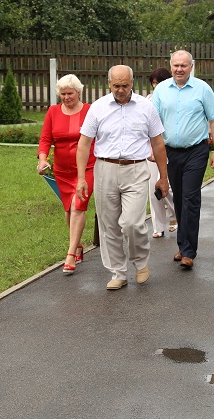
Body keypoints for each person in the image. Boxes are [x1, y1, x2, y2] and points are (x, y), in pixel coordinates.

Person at [75, 65, 169, 291]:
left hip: (136, 169)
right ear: (109, 84)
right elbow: (84, 144)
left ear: (132, 83)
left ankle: (141, 262)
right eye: (116, 85)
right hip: (105, 169)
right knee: (109, 224)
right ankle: (118, 272)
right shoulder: (98, 108)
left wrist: (163, 177)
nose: (120, 90)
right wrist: (81, 178)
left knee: (132, 223)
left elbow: (158, 143)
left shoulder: (146, 107)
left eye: (125, 85)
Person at [152, 50, 214, 270]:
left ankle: (189, 251)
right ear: (170, 66)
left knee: (191, 198)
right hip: (170, 152)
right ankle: (182, 245)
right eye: (176, 65)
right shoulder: (161, 90)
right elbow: (152, 122)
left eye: (184, 65)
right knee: (180, 198)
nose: (179, 69)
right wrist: (150, 149)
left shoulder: (202, 88)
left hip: (196, 151)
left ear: (191, 67)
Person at [37, 74, 95, 275]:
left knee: (78, 205)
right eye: (62, 94)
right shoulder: (53, 112)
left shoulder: (89, 110)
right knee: (69, 209)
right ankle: (76, 244)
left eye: (70, 93)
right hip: (62, 170)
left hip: (87, 168)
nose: (66, 97)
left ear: (78, 92)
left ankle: (70, 255)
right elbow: (45, 138)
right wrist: (43, 159)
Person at [147, 67, 177, 238]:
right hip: (150, 149)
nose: (156, 86)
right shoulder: (148, 100)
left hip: (169, 147)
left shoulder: (174, 99)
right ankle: (158, 226)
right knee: (153, 188)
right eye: (154, 83)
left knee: (168, 187)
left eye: (159, 82)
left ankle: (175, 214)